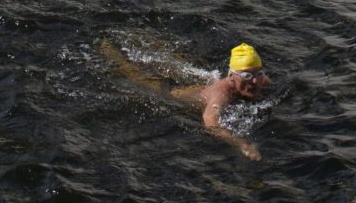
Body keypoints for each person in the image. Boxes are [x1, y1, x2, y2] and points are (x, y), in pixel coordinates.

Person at [101, 37, 270, 161]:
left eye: (258, 74)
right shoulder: (221, 95)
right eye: (247, 75)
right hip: (172, 94)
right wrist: (242, 144)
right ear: (232, 77)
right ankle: (108, 49)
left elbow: (263, 80)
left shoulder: (259, 79)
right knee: (136, 76)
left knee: (174, 66)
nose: (254, 81)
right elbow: (210, 121)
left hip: (200, 86)